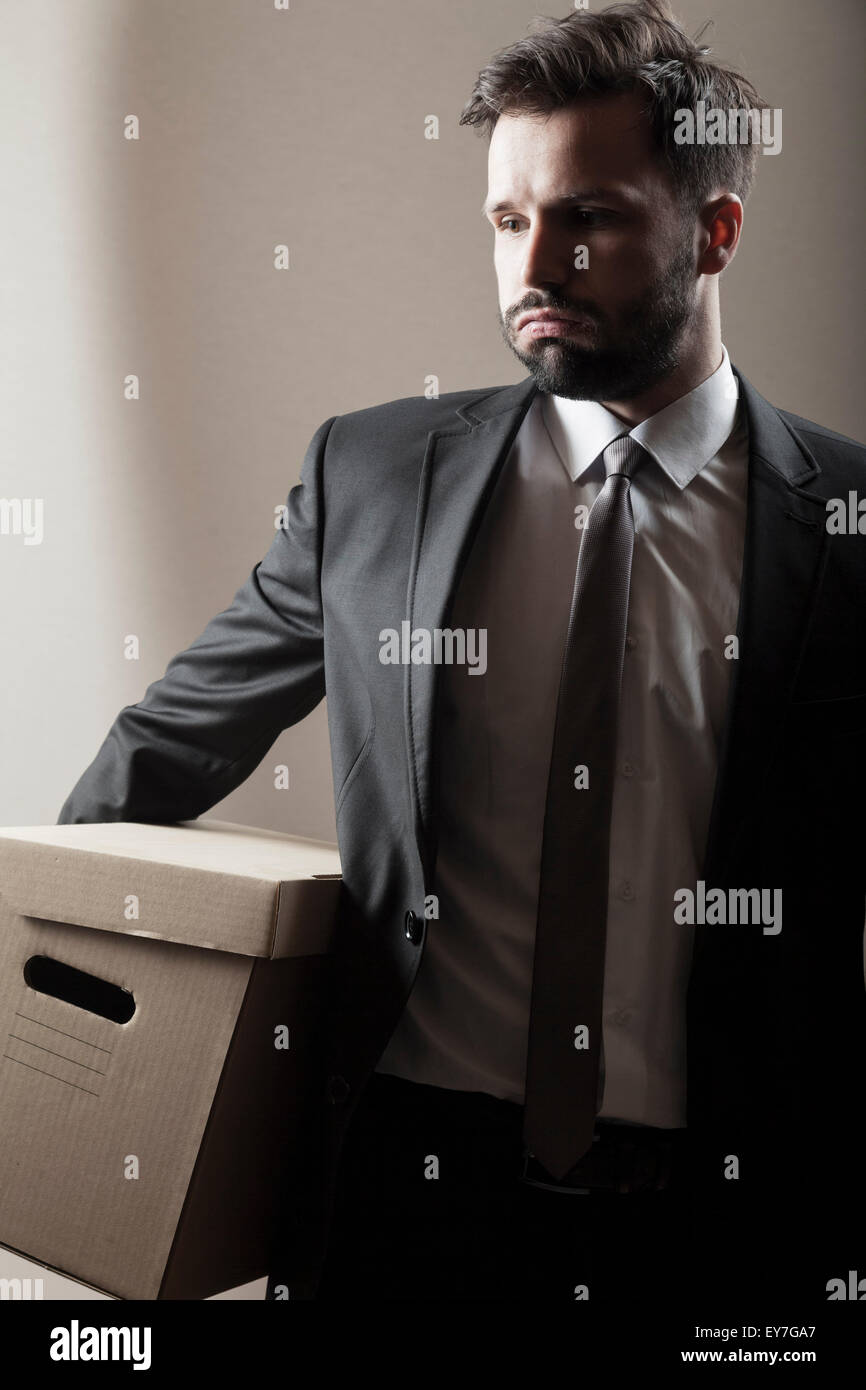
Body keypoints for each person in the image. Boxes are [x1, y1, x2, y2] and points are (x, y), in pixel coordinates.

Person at [58, 0, 866, 1309]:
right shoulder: (371, 473)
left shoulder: (844, 520)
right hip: (406, 1194)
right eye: (506, 220)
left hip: (726, 1216)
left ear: (713, 231)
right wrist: (48, 1008)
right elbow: (173, 739)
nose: (534, 263)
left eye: (588, 216)